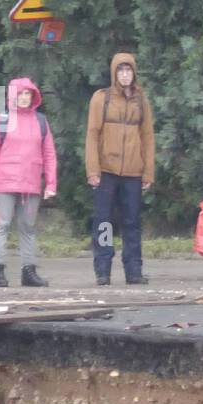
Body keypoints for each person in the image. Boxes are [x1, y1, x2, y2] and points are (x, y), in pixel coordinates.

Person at [0, 77, 57, 288]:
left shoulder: (41, 121)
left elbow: (49, 154)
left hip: (31, 185)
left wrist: (51, 184)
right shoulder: (2, 120)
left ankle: (28, 273)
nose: (24, 98)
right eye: (20, 94)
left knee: (28, 228)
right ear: (12, 96)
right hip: (4, 184)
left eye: (28, 94)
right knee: (2, 226)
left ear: (33, 97)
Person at [86, 52, 155, 286]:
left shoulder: (141, 100)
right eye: (120, 71)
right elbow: (92, 135)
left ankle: (134, 270)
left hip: (133, 172)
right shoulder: (101, 98)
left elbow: (147, 137)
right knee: (104, 221)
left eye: (128, 71)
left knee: (132, 222)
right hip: (106, 169)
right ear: (114, 73)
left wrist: (148, 171)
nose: (125, 75)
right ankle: (103, 269)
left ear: (134, 73)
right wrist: (93, 169)